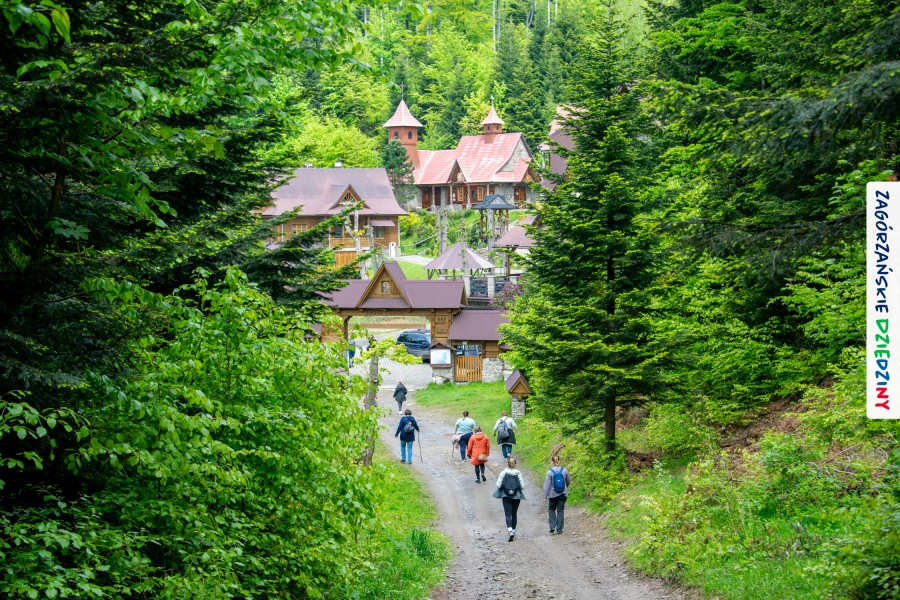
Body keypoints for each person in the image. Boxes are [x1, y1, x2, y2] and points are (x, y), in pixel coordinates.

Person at [493, 456, 526, 542]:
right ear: (515, 464)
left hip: (506, 496)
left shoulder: (503, 473)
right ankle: (514, 531)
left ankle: (510, 530)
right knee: (514, 513)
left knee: (508, 514)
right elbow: (522, 486)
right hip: (516, 496)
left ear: (507, 464)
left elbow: (498, 484)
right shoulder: (518, 473)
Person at [543, 455, 572, 534]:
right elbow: (568, 481)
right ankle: (559, 529)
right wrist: (565, 488)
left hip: (553, 495)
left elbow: (547, 485)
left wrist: (545, 496)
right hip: (563, 494)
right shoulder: (564, 470)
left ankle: (552, 526)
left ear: (552, 462)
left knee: (551, 509)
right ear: (559, 461)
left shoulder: (549, 472)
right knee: (560, 510)